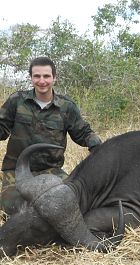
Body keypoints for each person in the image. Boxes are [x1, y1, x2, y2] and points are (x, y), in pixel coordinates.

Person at [0, 56, 102, 215]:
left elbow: (83, 133)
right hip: (16, 171)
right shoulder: (17, 100)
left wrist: (101, 148)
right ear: (31, 78)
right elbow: (2, 128)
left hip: (51, 171)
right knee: (14, 209)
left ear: (54, 77)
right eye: (37, 76)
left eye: (46, 76)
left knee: (73, 202)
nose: (42, 81)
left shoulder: (66, 106)